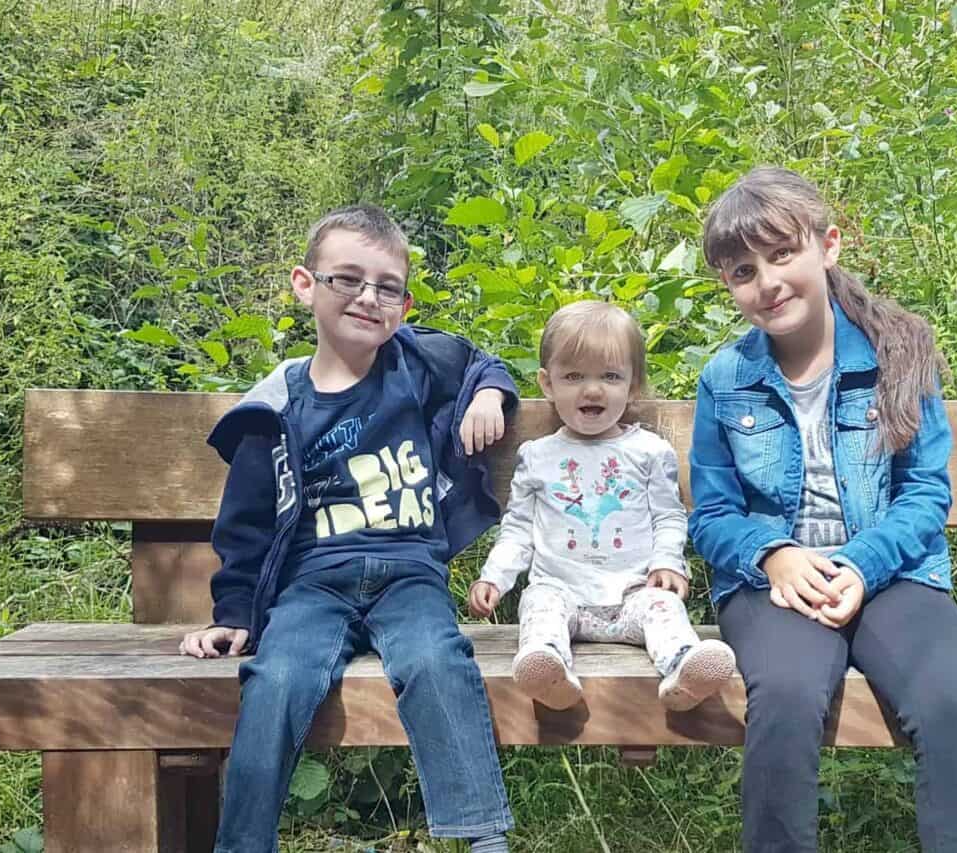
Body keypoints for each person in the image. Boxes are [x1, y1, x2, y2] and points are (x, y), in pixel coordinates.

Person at [179, 204, 516, 853]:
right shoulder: (277, 404)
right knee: (277, 676)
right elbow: (245, 524)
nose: (369, 297)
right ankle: (243, 842)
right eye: (348, 279)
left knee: (436, 659)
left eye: (387, 286)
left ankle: (483, 836)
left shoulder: (414, 364)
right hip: (314, 584)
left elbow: (483, 362)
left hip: (410, 576)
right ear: (306, 284)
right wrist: (234, 613)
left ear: (405, 302)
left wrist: (487, 397)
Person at [689, 167, 957, 852]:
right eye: (743, 271)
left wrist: (859, 564)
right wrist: (774, 553)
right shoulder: (726, 379)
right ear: (729, 287)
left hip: (893, 572)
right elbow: (711, 515)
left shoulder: (899, 354)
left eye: (781, 254)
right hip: (775, 585)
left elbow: (924, 493)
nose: (766, 281)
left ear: (826, 245)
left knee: (951, 703)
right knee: (789, 698)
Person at [468, 300, 735, 712]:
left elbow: (668, 517)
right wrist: (495, 577)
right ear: (547, 383)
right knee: (538, 605)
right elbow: (518, 529)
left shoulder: (649, 451)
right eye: (573, 376)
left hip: (632, 595)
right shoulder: (537, 456)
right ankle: (550, 673)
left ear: (633, 387)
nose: (592, 390)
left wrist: (667, 563)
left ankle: (683, 670)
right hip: (562, 594)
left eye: (610, 376)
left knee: (663, 607)